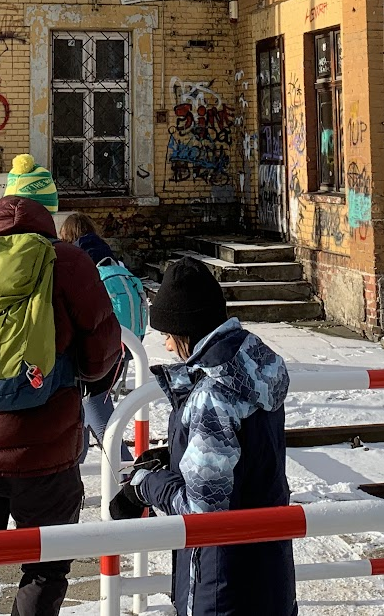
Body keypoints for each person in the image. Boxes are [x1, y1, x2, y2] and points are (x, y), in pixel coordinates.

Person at [0, 193, 121, 616]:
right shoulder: (68, 262)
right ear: (45, 221)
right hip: (46, 448)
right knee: (46, 568)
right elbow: (102, 353)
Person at [122, 257, 296, 616]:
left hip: (222, 584)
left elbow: (203, 513)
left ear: (189, 331)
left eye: (169, 335)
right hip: (269, 572)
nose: (167, 346)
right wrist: (178, 455)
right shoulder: (252, 367)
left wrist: (147, 484)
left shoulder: (213, 395)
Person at [59, 212, 132, 462]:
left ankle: (129, 480)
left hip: (89, 351)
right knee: (87, 413)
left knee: (96, 412)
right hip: (118, 345)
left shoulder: (77, 262)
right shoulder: (112, 258)